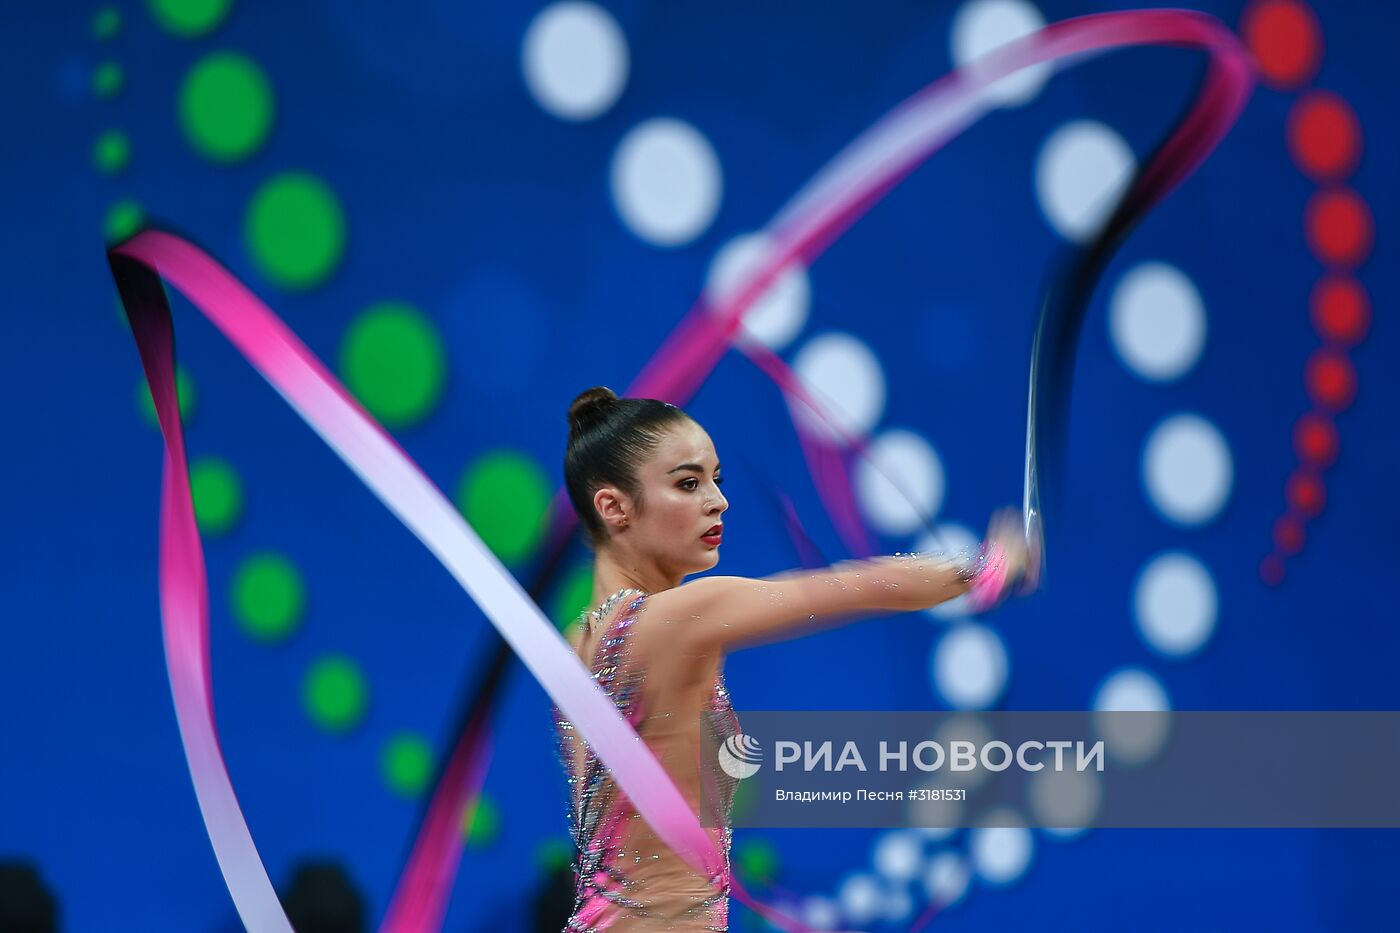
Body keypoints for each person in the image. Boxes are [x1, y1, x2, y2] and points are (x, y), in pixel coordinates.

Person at [552, 386, 1034, 932]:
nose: (717, 500)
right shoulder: (674, 620)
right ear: (614, 507)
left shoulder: (578, 641)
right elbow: (851, 589)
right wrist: (985, 567)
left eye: (717, 479)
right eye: (688, 484)